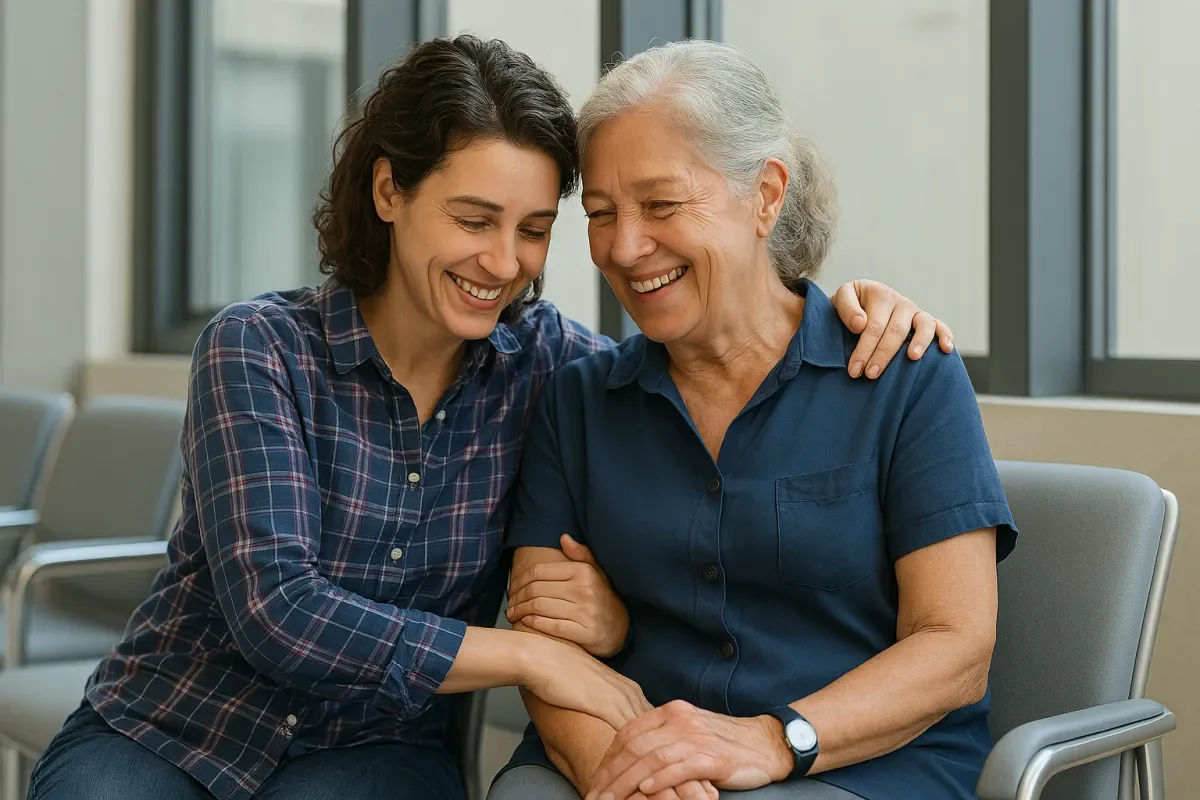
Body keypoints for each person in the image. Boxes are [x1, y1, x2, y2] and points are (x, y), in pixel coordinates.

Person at [28, 36, 953, 800]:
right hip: (177, 721)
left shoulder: (555, 369)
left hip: (373, 748)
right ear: (390, 192)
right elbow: (279, 611)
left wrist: (857, 307)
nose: (504, 262)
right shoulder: (259, 348)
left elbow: (709, 358)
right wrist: (536, 658)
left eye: (535, 228)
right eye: (474, 219)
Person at [490, 39, 1017, 800]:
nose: (626, 247)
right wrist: (631, 775)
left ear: (767, 195)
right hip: (629, 752)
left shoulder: (906, 378)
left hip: (856, 767)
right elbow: (546, 647)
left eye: (663, 204)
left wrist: (777, 740)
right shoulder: (576, 403)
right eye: (601, 215)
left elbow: (956, 646)